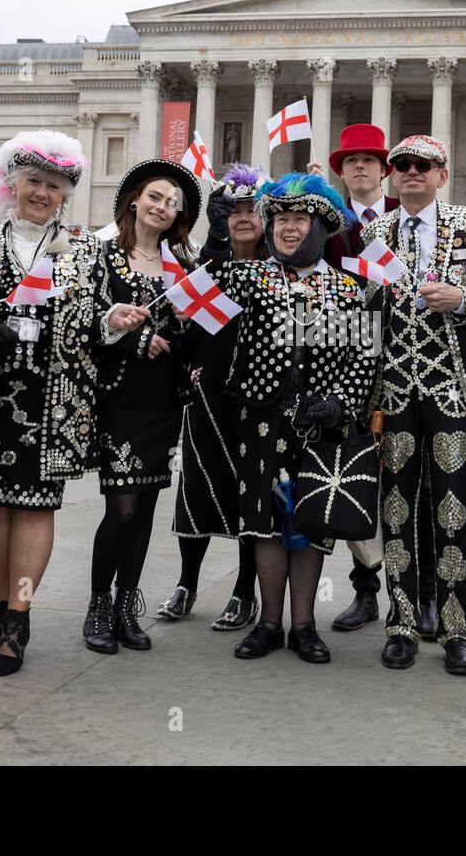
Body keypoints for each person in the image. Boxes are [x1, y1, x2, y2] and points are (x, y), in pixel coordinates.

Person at [0, 130, 128, 676]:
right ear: (12, 182)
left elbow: (97, 320)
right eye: (34, 181)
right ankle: (1, 607)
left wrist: (114, 321)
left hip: (52, 402)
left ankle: (18, 620)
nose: (43, 193)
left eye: (54, 186)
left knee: (33, 506)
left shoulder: (85, 250)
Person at [202, 172, 377, 663]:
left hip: (321, 426)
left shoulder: (349, 290)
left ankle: (304, 626)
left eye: (299, 219)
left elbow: (363, 357)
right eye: (279, 219)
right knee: (263, 522)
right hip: (260, 421)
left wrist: (340, 400)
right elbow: (190, 315)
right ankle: (269, 623)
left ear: (320, 227)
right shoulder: (245, 278)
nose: (287, 228)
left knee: (311, 523)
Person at [365, 135, 466, 675]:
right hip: (395, 388)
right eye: (400, 166)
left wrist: (463, 300)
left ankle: (456, 629)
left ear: (441, 175)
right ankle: (401, 623)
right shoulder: (376, 231)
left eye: (422, 166)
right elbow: (364, 307)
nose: (410, 174)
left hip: (451, 389)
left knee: (453, 510)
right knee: (396, 510)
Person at [316, 123, 439, 639]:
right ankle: (367, 589)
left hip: (415, 367)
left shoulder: (405, 217)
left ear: (385, 168)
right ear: (340, 171)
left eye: (370, 159)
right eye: (351, 161)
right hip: (357, 362)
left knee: (424, 485)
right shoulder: (328, 227)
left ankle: (426, 594)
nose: (361, 167)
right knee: (360, 475)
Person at [84, 159, 201, 655]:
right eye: (155, 196)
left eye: (172, 203)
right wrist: (132, 339)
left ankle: (126, 607)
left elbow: (196, 331)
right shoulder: (101, 256)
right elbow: (80, 320)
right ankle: (97, 606)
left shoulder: (183, 267)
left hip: (163, 401)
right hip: (118, 397)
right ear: (135, 199)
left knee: (147, 504)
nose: (162, 206)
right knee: (123, 507)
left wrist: (183, 333)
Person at [158, 163, 266, 631]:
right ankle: (187, 582)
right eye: (233, 210)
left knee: (252, 494)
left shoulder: (277, 270)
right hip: (208, 391)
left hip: (260, 396)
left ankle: (245, 590)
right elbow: (183, 330)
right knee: (197, 487)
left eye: (252, 210)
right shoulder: (205, 269)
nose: (243, 217)